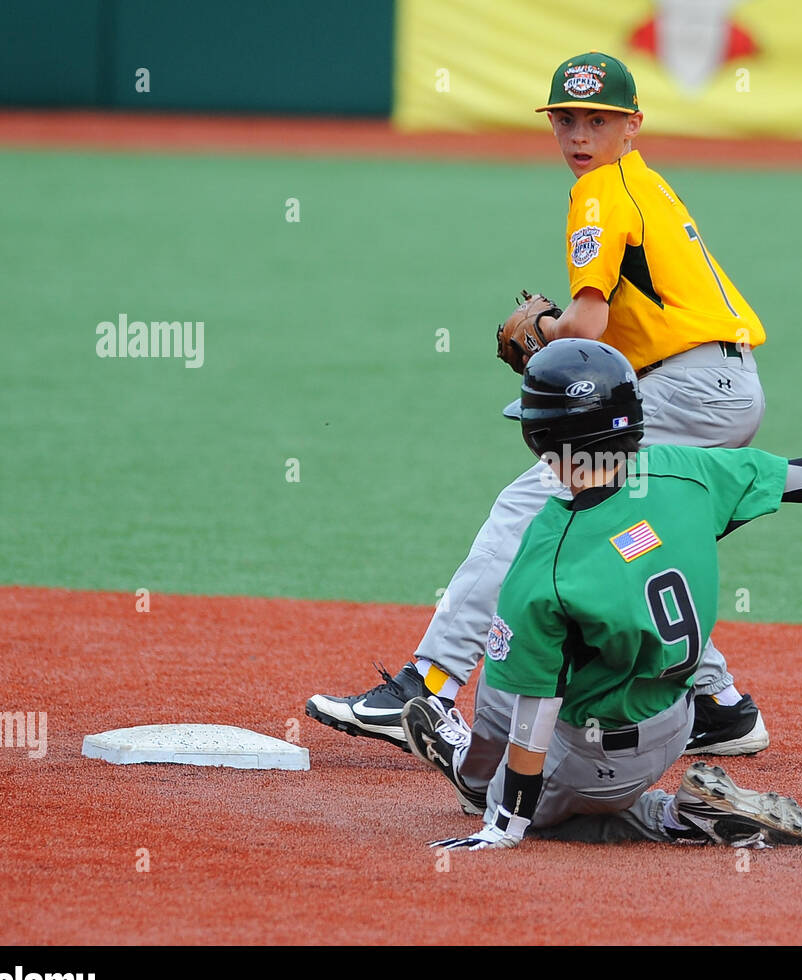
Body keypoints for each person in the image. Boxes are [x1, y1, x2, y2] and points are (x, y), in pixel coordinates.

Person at [309, 51, 777, 758]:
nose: (581, 135)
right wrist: (562, 330)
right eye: (567, 120)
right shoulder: (647, 184)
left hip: (687, 390)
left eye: (599, 120)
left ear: (633, 124)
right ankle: (719, 707)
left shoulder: (598, 192)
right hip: (716, 387)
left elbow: (585, 330)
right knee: (620, 535)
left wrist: (546, 328)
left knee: (529, 512)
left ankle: (424, 687)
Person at [400, 339, 802, 849]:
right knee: (509, 699)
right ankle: (475, 770)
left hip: (597, 751)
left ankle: (678, 816)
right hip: (677, 719)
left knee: (517, 787)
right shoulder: (691, 470)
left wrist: (503, 826)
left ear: (540, 439)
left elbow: (538, 711)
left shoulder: (546, 553)